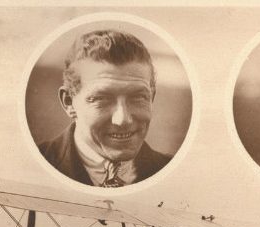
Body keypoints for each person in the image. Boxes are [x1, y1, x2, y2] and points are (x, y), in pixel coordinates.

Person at [38, 30, 170, 187]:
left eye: (138, 97)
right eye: (101, 99)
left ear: (151, 98)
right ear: (69, 102)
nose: (123, 120)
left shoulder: (172, 172)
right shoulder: (34, 165)